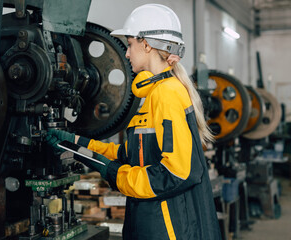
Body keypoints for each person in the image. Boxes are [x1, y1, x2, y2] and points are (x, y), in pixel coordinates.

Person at [47, 4, 221, 240]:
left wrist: (117, 174)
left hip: (166, 226)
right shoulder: (154, 94)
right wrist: (76, 144)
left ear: (146, 44)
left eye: (130, 44)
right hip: (150, 218)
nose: (126, 54)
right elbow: (133, 153)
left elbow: (178, 173)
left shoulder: (166, 94)